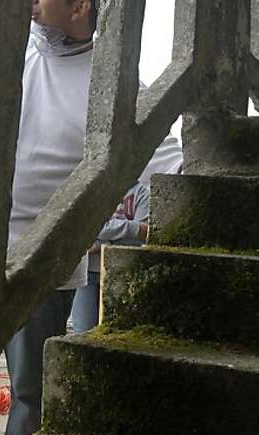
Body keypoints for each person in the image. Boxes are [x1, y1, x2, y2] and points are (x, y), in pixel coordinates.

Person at [2, 0, 106, 435]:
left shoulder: (109, 79)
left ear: (80, 7)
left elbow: (163, 155)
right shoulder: (13, 50)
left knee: (29, 391)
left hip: (47, 266)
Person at [69, 133, 183, 333]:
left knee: (118, 331)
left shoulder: (142, 194)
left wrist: (102, 242)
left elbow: (143, 236)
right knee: (83, 330)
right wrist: (131, 228)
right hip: (88, 271)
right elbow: (88, 225)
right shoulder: (96, 190)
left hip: (122, 271)